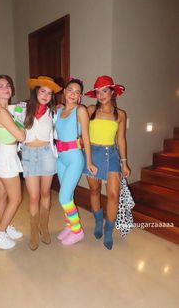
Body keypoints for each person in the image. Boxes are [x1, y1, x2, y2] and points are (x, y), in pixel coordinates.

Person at [83, 75, 131, 250]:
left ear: (112, 92)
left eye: (105, 91)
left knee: (113, 194)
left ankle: (108, 229)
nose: (101, 95)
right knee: (95, 190)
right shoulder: (89, 110)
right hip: (93, 153)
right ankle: (98, 221)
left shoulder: (120, 115)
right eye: (98, 92)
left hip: (111, 154)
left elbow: (122, 140)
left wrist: (124, 163)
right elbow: (75, 121)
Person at [55, 78, 97, 246]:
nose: (73, 94)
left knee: (63, 198)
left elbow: (86, 137)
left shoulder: (81, 110)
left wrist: (89, 161)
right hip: (61, 158)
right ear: (64, 92)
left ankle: (77, 230)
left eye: (77, 92)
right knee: (69, 195)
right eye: (70, 90)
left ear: (80, 96)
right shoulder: (58, 110)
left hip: (74, 158)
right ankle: (69, 225)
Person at [22, 76, 62, 251]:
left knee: (46, 193)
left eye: (49, 92)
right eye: (42, 91)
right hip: (29, 155)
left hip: (47, 155)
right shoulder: (21, 108)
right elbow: (0, 109)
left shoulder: (54, 112)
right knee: (33, 196)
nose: (46, 95)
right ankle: (33, 231)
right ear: (36, 91)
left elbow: (70, 114)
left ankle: (44, 227)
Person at [0, 75, 26, 250]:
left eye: (8, 85)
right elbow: (21, 136)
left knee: (3, 196)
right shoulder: (1, 111)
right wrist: (20, 119)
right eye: (0, 86)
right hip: (6, 156)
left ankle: (6, 226)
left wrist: (17, 110)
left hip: (0, 153)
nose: (6, 88)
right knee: (16, 198)